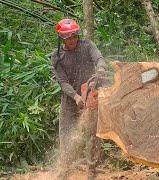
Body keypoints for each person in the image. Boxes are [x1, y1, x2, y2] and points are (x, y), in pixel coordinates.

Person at [51, 18, 107, 180]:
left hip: (90, 95)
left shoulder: (88, 46)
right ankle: (65, 168)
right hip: (70, 100)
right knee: (66, 133)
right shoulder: (57, 56)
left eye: (74, 36)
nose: (72, 40)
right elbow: (62, 82)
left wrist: (101, 69)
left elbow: (99, 59)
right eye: (68, 38)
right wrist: (75, 97)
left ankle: (92, 169)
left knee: (93, 133)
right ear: (62, 38)